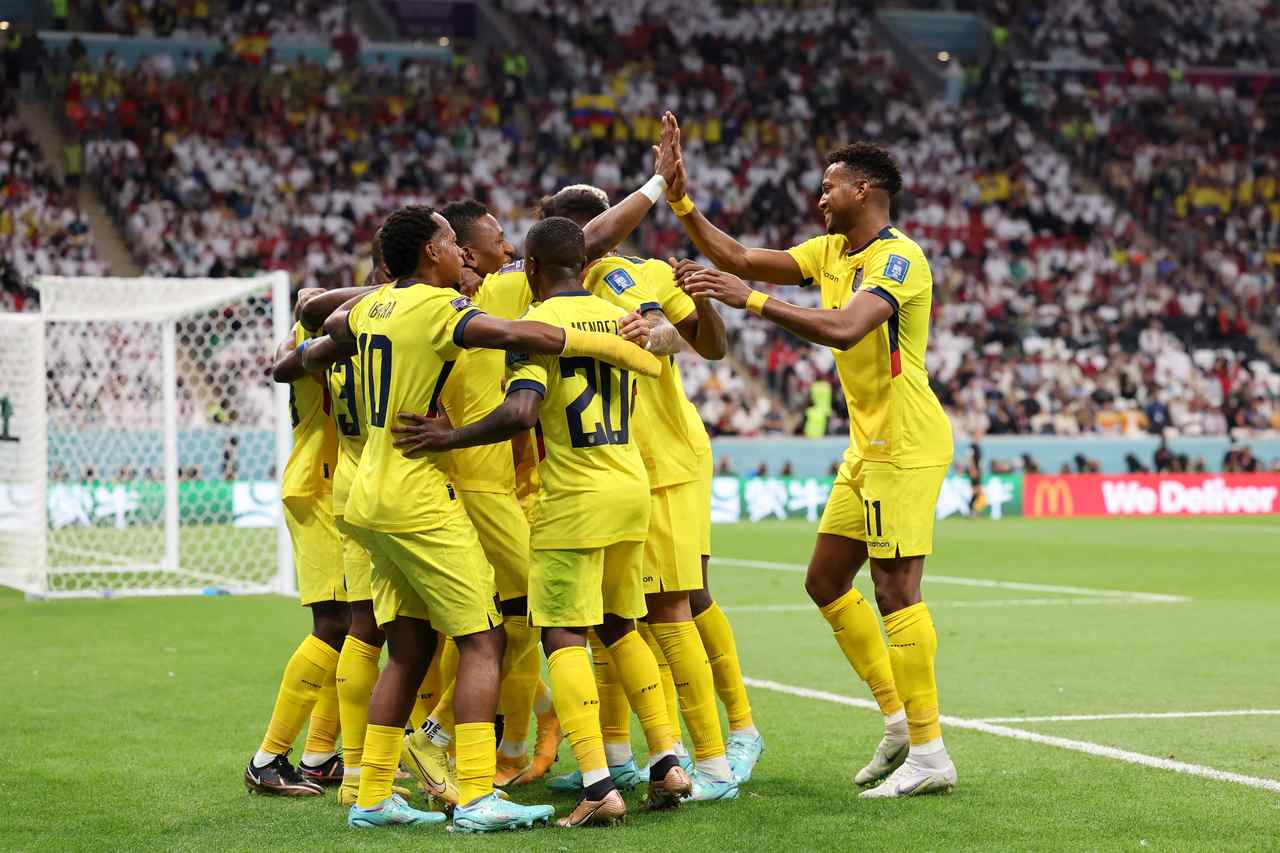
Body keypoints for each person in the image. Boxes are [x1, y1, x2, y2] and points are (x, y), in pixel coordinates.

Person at [308, 205, 661, 831]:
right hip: (421, 493)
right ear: (429, 254)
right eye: (451, 242)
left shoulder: (367, 309)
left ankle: (370, 795)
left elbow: (321, 334)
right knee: (485, 638)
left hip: (365, 495)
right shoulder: (446, 310)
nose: (463, 254)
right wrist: (611, 339)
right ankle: (474, 793)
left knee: (409, 646)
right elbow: (525, 337)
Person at [673, 139, 958, 797]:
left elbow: (845, 327)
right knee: (826, 580)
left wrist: (748, 301)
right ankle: (896, 716)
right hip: (866, 446)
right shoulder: (831, 251)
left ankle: (929, 750)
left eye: (830, 187)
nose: (819, 197)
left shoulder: (899, 257)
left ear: (863, 190)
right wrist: (682, 200)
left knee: (896, 588)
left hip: (907, 442)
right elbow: (740, 257)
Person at [390, 217, 690, 827]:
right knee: (622, 626)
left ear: (529, 269)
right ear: (583, 265)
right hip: (630, 486)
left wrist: (452, 436)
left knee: (560, 634)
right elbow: (669, 347)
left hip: (574, 497)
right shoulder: (616, 316)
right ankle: (668, 761)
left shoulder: (537, 326)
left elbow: (522, 411)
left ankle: (599, 784)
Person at [535, 180, 760, 795]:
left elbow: (671, 333)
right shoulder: (610, 279)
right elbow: (709, 342)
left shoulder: (615, 274)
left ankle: (719, 754)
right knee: (619, 614)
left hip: (661, 461)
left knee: (673, 604)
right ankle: (619, 752)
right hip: (622, 465)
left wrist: (658, 333)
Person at [244, 289, 348, 797]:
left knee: (357, 626)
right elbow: (307, 304)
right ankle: (267, 758)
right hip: (319, 484)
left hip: (340, 485)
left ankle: (321, 754)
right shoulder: (322, 325)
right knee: (335, 622)